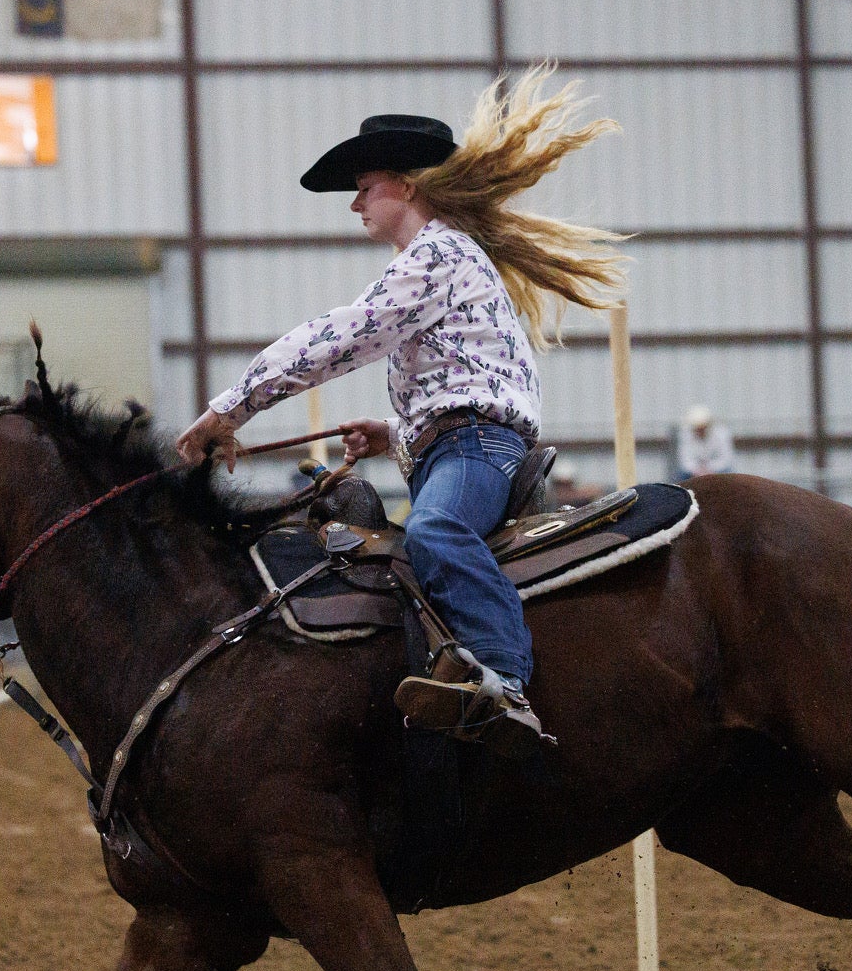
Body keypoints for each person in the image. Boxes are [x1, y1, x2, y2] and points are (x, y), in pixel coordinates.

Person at [175, 69, 625, 752]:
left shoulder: (437, 254)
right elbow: (469, 377)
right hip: (466, 442)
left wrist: (232, 410)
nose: (355, 204)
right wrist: (396, 434)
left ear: (407, 185)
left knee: (436, 533)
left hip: (474, 447)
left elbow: (343, 336)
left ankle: (504, 678)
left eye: (364, 188)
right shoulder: (443, 260)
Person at [672, 404, 734, 480]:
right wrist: (697, 470)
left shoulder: (721, 434)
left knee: (730, 477)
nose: (700, 430)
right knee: (678, 479)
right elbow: (685, 460)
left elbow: (725, 459)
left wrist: (709, 469)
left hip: (717, 470)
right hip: (693, 471)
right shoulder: (685, 434)